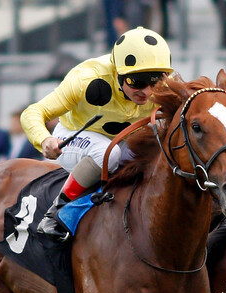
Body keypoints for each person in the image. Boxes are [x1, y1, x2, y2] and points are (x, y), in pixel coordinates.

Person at [21, 27, 174, 241]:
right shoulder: (85, 79)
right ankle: (57, 212)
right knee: (108, 154)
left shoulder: (166, 84)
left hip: (122, 139)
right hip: (73, 136)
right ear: (118, 73)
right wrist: (45, 139)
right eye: (136, 82)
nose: (147, 92)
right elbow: (33, 112)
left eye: (154, 82)